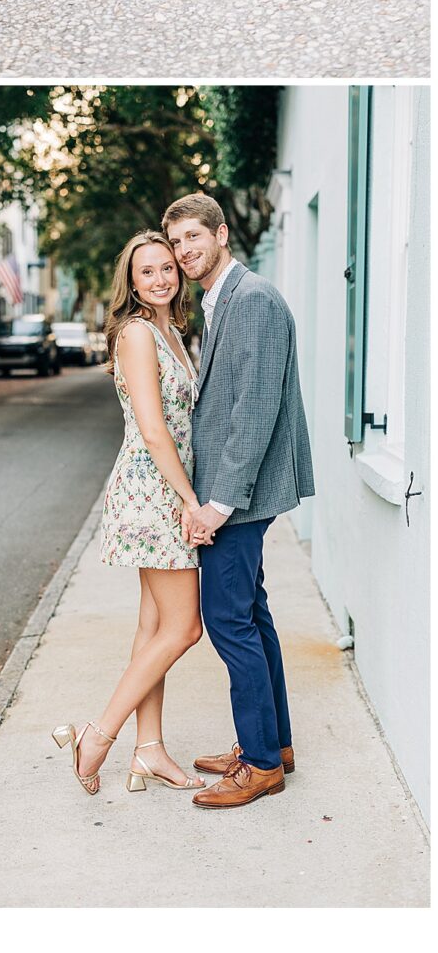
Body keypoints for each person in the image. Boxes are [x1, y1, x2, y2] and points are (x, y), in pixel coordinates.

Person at [162, 192, 314, 811]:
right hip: (241, 489)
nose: (184, 251)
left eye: (194, 237)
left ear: (222, 234)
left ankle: (258, 765)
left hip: (242, 494)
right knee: (253, 613)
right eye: (176, 243)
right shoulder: (222, 299)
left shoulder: (251, 300)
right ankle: (272, 745)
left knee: (228, 619)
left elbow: (254, 411)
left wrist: (217, 505)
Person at [57, 231, 207, 796]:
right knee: (185, 627)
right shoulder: (138, 334)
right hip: (155, 493)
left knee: (153, 628)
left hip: (164, 489)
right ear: (132, 282)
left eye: (167, 268)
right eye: (147, 272)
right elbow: (152, 428)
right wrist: (191, 501)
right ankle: (99, 733)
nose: (161, 279)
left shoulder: (171, 330)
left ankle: (149, 750)